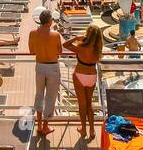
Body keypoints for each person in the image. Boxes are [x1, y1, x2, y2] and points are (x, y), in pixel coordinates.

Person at [64, 24, 105, 139]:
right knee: (89, 104)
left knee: (82, 104)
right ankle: (92, 130)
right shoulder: (98, 49)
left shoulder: (81, 47)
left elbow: (65, 45)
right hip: (91, 76)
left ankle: (83, 129)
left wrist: (77, 38)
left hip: (79, 75)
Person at [28, 8, 63, 137]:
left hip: (40, 66)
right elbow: (60, 52)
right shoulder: (55, 35)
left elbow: (31, 51)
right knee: (51, 97)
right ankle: (46, 127)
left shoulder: (33, 33)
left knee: (39, 94)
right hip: (52, 67)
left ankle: (39, 125)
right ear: (49, 21)